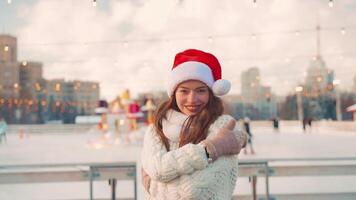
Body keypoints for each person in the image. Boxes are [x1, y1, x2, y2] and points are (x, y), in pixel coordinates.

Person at [141, 49, 247, 199]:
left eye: (200, 91)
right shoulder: (156, 128)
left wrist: (153, 186)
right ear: (174, 94)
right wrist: (208, 150)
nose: (192, 99)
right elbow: (158, 170)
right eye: (184, 91)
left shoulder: (223, 127)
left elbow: (196, 192)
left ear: (210, 93)